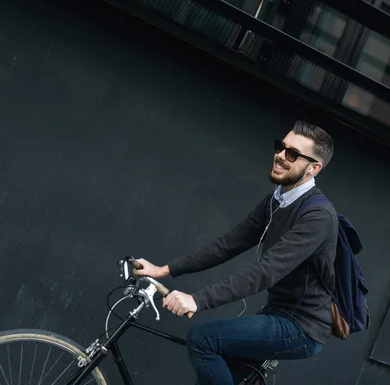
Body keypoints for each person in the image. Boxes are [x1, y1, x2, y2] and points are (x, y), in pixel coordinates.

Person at [134, 120, 339, 384]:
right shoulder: (275, 201)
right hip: (276, 314)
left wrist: (198, 299)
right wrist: (163, 269)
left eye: (292, 154)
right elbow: (228, 244)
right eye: (281, 147)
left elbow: (267, 271)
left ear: (313, 168)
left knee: (202, 339)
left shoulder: (317, 216)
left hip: (301, 327)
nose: (279, 156)